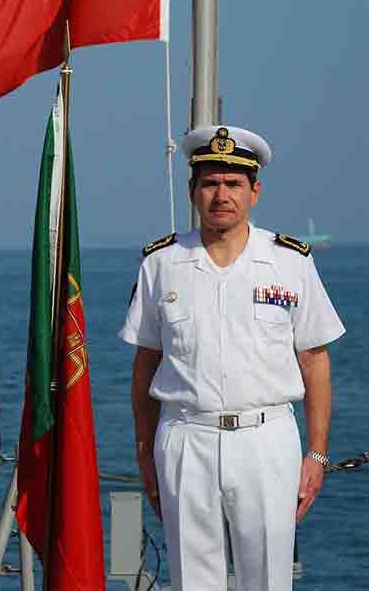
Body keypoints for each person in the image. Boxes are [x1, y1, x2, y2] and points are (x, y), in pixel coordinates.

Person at [121, 126, 345, 590]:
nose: (221, 195)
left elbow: (315, 360)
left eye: (233, 183)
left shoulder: (290, 262)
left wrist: (317, 453)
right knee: (192, 580)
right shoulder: (160, 265)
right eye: (210, 183)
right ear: (192, 191)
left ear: (255, 191)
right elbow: (146, 363)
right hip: (185, 438)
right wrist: (145, 452)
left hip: (265, 440)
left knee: (267, 578)